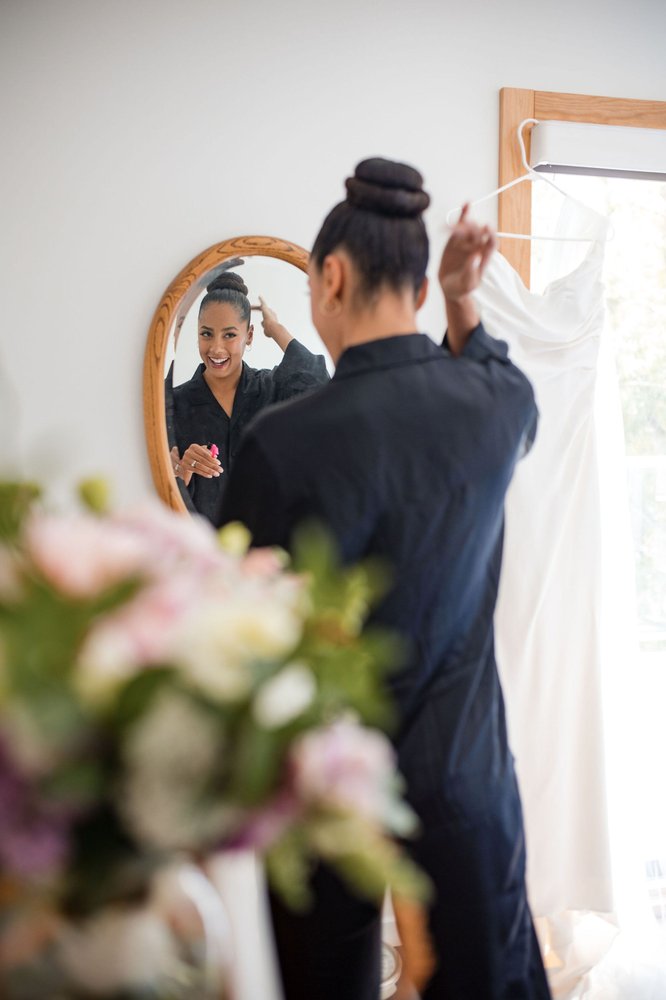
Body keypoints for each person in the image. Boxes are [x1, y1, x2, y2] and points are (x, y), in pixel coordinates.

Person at [218, 158, 550, 1000]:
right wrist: (463, 300)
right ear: (421, 287)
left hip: (327, 787)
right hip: (462, 776)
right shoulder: (496, 407)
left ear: (331, 278)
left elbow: (242, 628)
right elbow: (500, 379)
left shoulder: (281, 441)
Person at [169, 271, 329, 524]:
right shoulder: (174, 404)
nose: (216, 348)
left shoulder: (272, 389)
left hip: (271, 543)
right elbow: (167, 503)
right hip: (203, 546)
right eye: (206, 334)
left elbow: (319, 384)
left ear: (250, 335)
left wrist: (276, 330)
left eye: (230, 335)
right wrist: (184, 471)